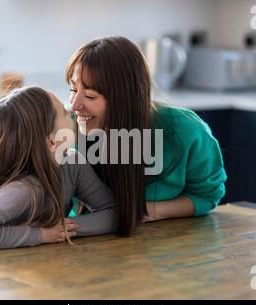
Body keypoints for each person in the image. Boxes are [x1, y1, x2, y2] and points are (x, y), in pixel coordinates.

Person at [66, 36, 227, 237]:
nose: (74, 105)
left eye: (90, 96)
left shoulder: (186, 132)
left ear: (125, 99)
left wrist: (150, 211)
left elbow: (207, 195)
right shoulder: (64, 126)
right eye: (73, 89)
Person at [0, 86, 117, 249]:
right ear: (53, 142)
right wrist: (41, 234)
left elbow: (114, 212)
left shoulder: (73, 163)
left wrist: (61, 228)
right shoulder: (24, 190)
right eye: (63, 111)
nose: (71, 111)